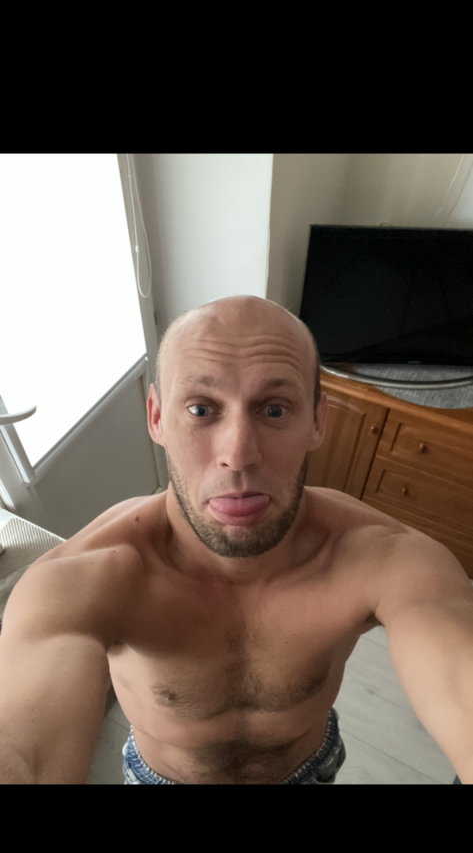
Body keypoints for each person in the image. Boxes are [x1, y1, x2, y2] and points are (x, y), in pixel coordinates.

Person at [0, 295, 472, 785]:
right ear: (157, 418)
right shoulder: (85, 577)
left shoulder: (384, 557)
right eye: (201, 409)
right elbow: (20, 746)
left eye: (274, 409)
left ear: (317, 421)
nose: (239, 453)